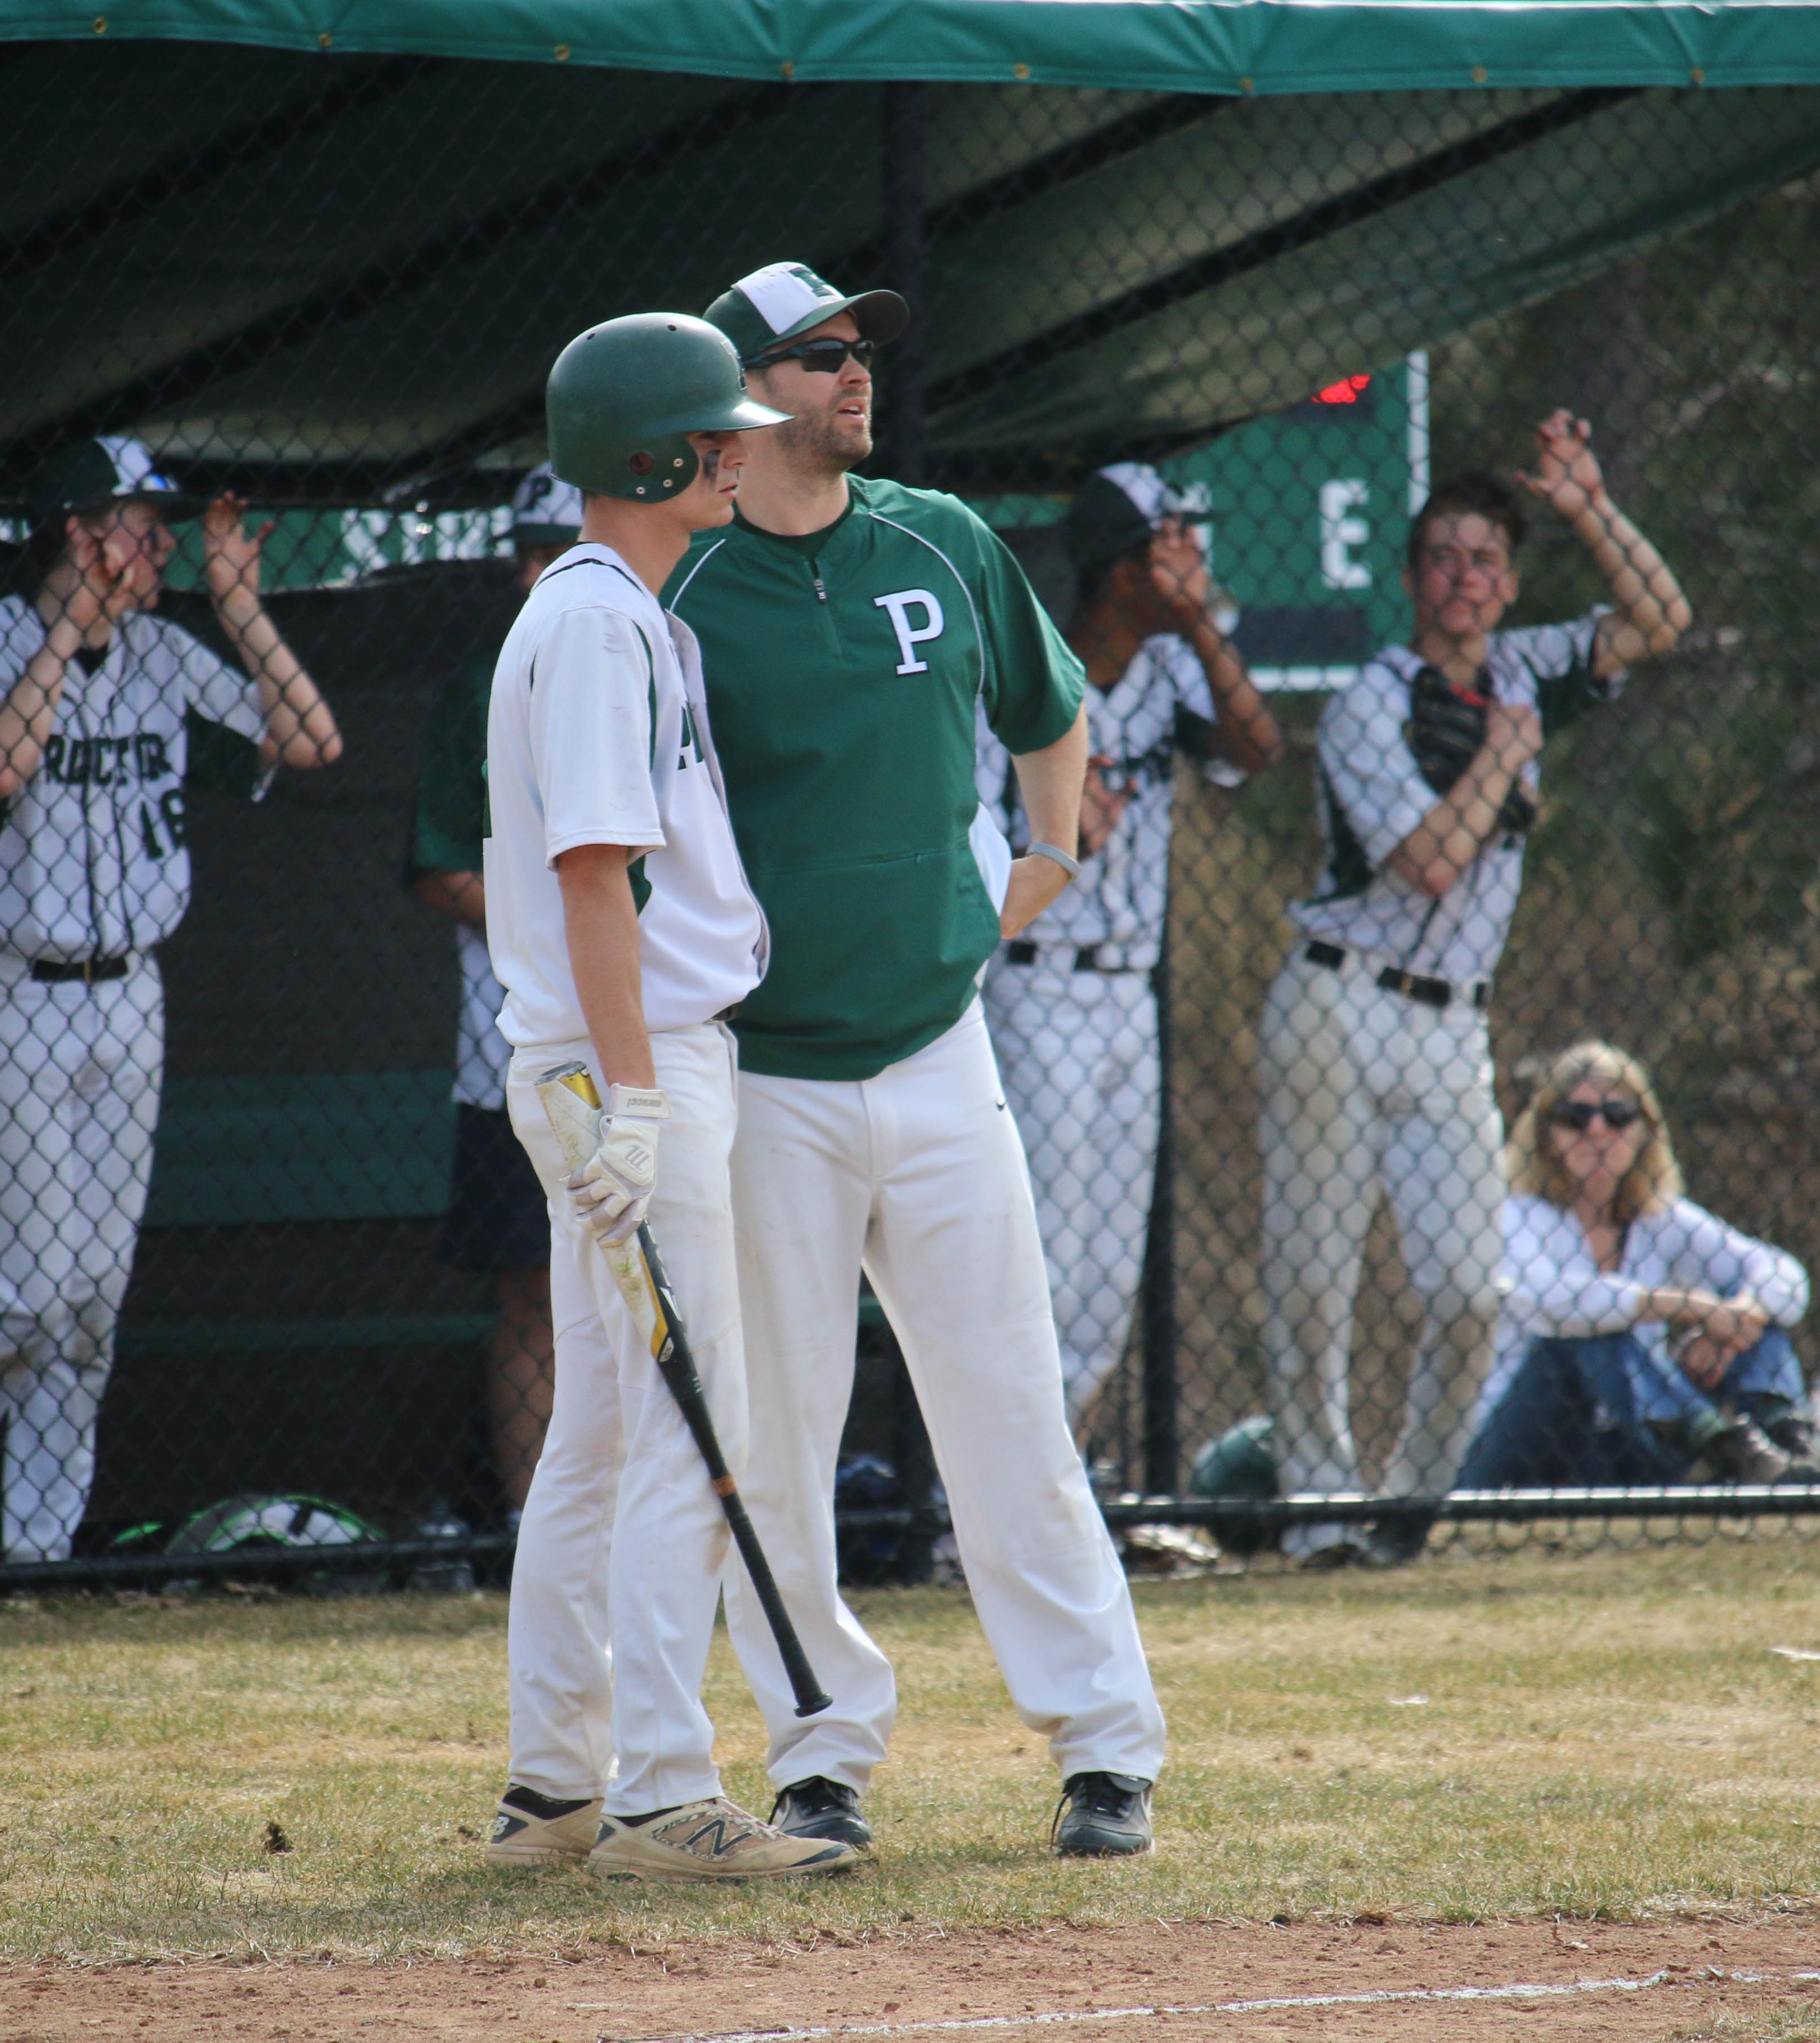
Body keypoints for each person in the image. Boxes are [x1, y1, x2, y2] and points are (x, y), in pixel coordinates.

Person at [664, 260, 1169, 1859]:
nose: (854, 372)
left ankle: (1105, 1749)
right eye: (818, 357)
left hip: (944, 1055)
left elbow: (1055, 709)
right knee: (782, 1433)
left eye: (861, 346)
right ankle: (821, 1753)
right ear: (742, 405)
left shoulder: (941, 542)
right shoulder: (680, 595)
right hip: (768, 1080)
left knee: (1010, 1404)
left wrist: (1045, 863)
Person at [0, 436, 342, 1567]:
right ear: (75, 532)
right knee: (27, 1291)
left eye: (155, 526)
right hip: (11, 998)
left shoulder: (162, 648)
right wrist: (67, 627)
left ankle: (40, 1554)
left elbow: (311, 740)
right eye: (135, 523)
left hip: (129, 994)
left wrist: (238, 604)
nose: (158, 544)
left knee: (92, 1304)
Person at [474, 311, 849, 1885]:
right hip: (635, 1065)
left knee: (609, 1434)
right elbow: (593, 882)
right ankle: (659, 1797)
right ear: (657, 455)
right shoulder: (601, 623)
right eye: (715, 431)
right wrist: (634, 1099)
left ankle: (557, 1786)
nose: (737, 446)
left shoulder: (624, 613)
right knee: (699, 1433)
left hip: (612, 1063)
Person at [1258, 414, 1692, 1564]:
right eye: (1443, 556)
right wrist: (1507, 754)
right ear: (1411, 579)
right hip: (1340, 1005)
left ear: (1509, 584)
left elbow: (1660, 620)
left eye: (1488, 559)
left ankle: (1402, 1514)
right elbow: (1430, 861)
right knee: (1314, 1285)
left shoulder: (1528, 667)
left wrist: (1589, 505)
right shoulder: (1369, 701)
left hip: (1454, 1019)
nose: (1465, 577)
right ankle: (1316, 1518)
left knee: (1464, 1289)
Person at [977, 464, 1283, 1444]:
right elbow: (965, 849)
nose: (1193, 559)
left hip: (1128, 1001)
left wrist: (1199, 624)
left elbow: (1256, 747)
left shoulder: (1168, 669)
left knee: (1107, 1283)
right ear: (1121, 571)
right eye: (1170, 547)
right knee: (1044, 1266)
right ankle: (969, 1507)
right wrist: (1053, 831)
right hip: (1037, 994)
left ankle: (1049, 1490)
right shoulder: (1023, 679)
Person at [408, 465, 584, 1522]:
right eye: (528, 551)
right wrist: (569, 925)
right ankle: (533, 1528)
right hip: (515, 1034)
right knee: (534, 1285)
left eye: (560, 548)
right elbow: (435, 866)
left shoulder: (668, 667)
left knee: (661, 1282)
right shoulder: (482, 687)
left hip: (654, 1035)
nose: (537, 571)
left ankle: (642, 1531)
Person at [1454, 1043, 1820, 1488]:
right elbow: (1560, 1305)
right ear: (1548, 1136)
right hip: (1524, 1450)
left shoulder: (1660, 1218)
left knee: (1761, 1326)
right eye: (1576, 1118)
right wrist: (1693, 1308)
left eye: (1617, 1116)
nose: (1597, 1131)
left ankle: (1790, 1447)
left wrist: (1739, 1318)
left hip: (1625, 1442)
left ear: (1644, 1131)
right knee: (1583, 1334)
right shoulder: (1517, 1214)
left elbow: (1783, 1273)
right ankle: (1710, 1440)